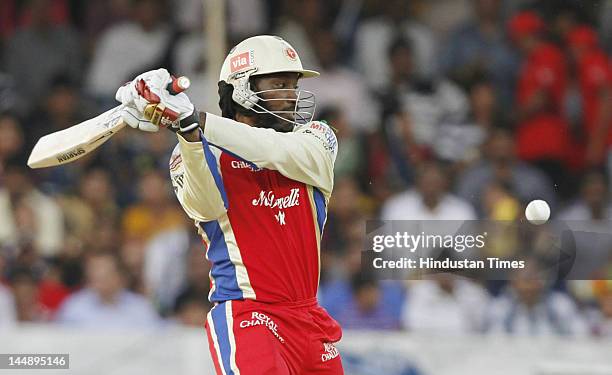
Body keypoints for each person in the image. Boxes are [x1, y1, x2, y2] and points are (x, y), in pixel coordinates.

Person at [114, 35, 342, 374]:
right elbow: (205, 208)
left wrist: (195, 118)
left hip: (310, 318)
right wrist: (188, 134)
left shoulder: (317, 138)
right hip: (250, 315)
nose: (292, 95)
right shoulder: (197, 152)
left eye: (293, 85)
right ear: (242, 89)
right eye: (279, 84)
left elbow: (273, 151)